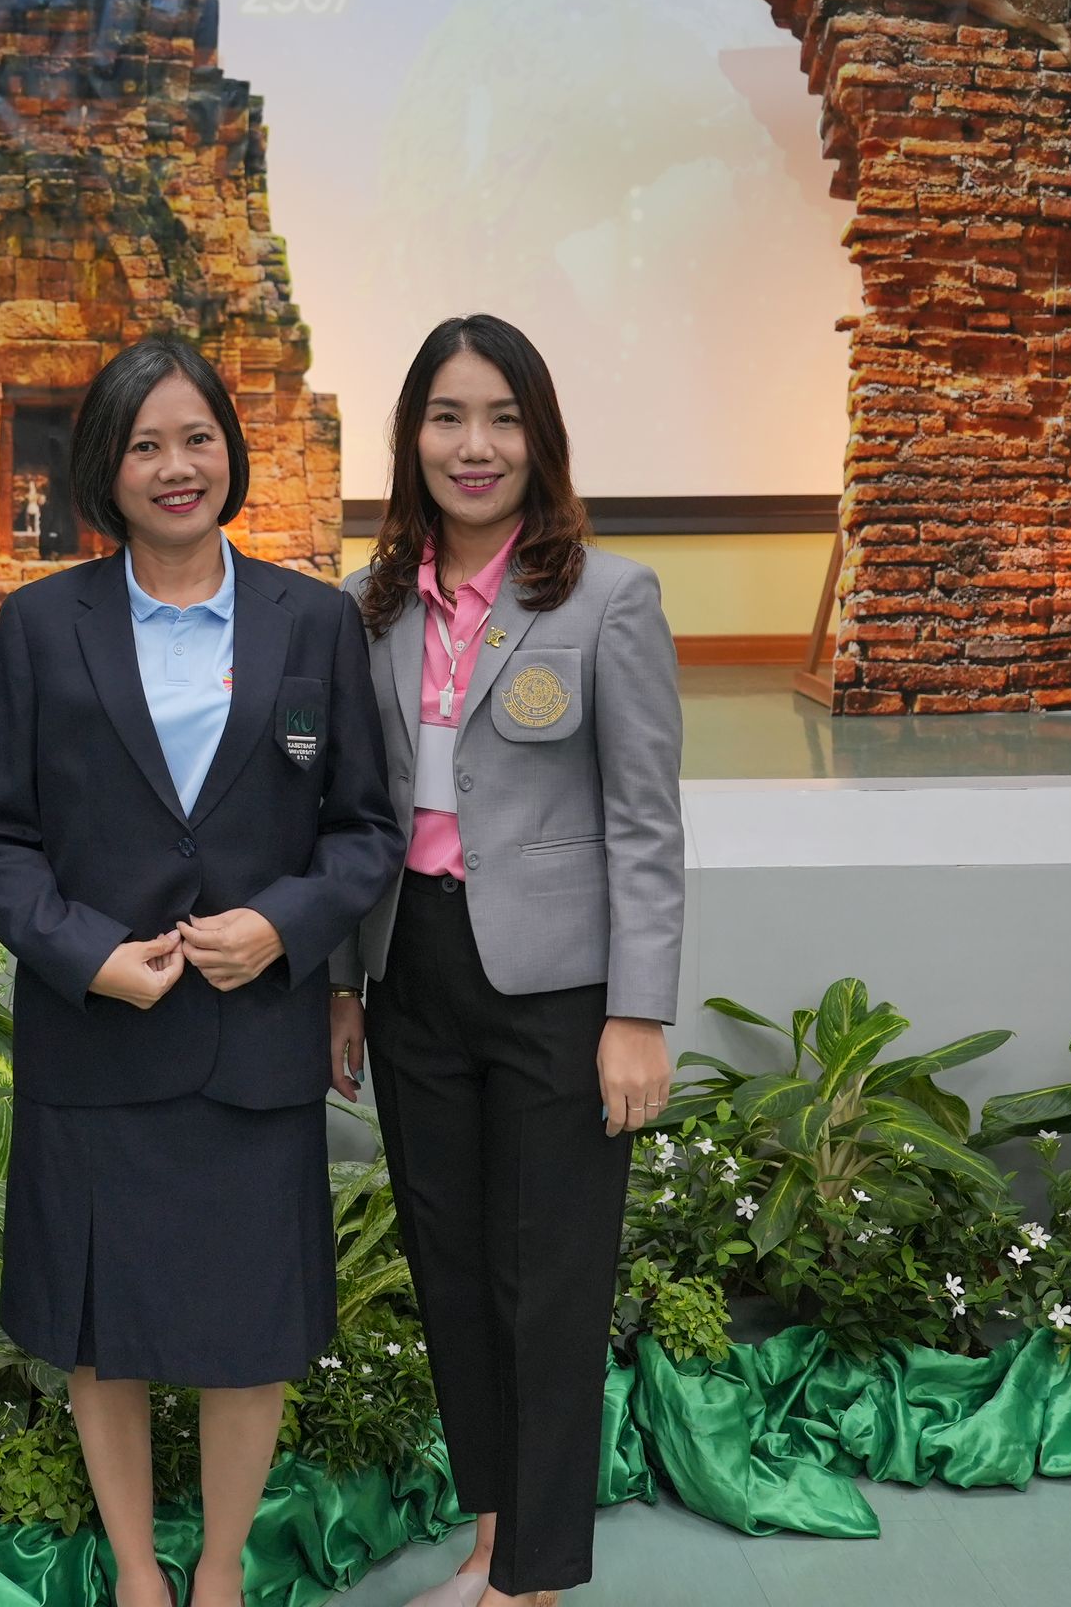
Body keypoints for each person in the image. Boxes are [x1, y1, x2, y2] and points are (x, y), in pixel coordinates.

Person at [0, 335, 401, 1607]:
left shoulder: (313, 619)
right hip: (101, 1042)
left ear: (230, 452)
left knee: (248, 1331)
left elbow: (364, 828)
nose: (175, 464)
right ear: (106, 466)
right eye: (145, 443)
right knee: (107, 1335)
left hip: (253, 1042)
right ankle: (139, 1571)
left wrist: (282, 927)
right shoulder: (45, 623)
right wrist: (85, 953)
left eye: (196, 436)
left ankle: (219, 1571)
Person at [328, 314, 685, 1607]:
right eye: (447, 418)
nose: (473, 446)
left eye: (501, 418)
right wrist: (345, 982)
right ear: (411, 438)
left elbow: (645, 821)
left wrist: (638, 1011)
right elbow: (355, 811)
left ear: (540, 439)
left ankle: (533, 1580)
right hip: (414, 967)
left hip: (557, 989)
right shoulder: (372, 605)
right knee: (455, 1270)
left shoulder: (607, 598)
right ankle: (490, 1545)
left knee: (550, 1286)